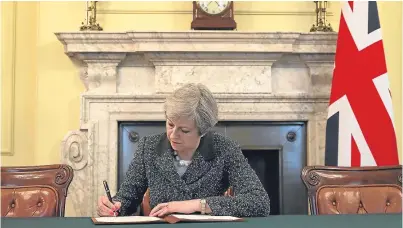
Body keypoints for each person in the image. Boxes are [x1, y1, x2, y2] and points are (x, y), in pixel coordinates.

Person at [97, 83, 270, 217]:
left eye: (184, 130)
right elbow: (126, 199)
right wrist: (113, 207)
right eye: (170, 124)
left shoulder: (224, 149)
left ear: (203, 131)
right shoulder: (148, 147)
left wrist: (197, 204)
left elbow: (259, 202)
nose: (173, 135)